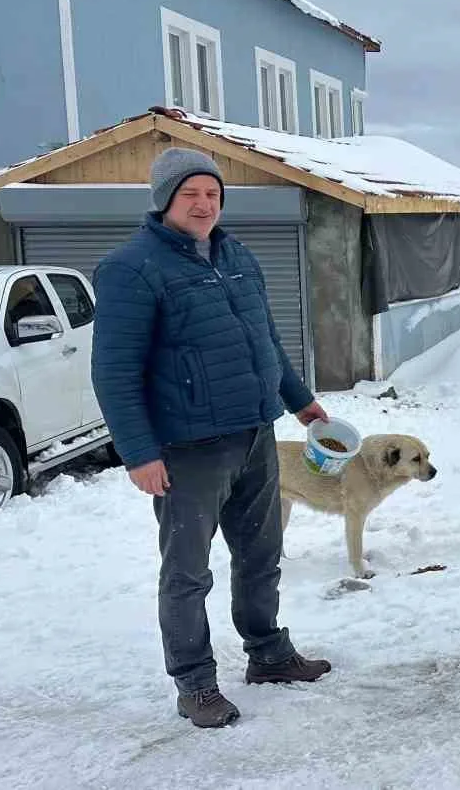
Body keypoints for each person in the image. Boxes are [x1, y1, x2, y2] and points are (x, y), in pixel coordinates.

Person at [92, 146, 335, 729]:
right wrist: (139, 453)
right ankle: (195, 684)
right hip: (188, 447)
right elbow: (114, 370)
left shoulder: (236, 256)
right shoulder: (133, 268)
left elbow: (265, 343)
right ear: (164, 200)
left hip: (254, 433)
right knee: (187, 573)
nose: (204, 205)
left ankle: (269, 653)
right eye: (190, 194)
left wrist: (300, 403)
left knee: (261, 555)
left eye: (212, 193)